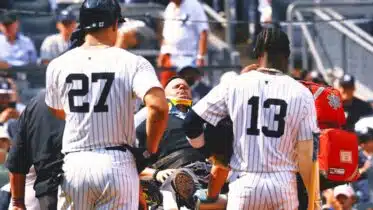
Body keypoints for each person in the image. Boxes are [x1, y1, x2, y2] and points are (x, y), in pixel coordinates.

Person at [45, 0, 169, 209]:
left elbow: (58, 111)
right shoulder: (132, 62)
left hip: (75, 163)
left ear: (82, 25)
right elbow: (158, 106)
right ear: (114, 25)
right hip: (117, 163)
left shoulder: (58, 64)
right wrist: (150, 150)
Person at [183, 27, 320, 209]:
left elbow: (191, 123)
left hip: (244, 183)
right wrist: (314, 200)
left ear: (258, 54)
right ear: (286, 57)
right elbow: (306, 154)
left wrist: (209, 154)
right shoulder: (302, 93)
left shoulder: (235, 84)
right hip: (283, 184)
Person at [5, 91, 64, 210]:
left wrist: (17, 202)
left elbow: (16, 160)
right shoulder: (102, 96)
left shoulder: (37, 102)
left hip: (51, 189)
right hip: (99, 179)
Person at [157, 0, 209, 87]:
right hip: (170, 58)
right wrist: (162, 53)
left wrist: (201, 57)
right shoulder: (169, 7)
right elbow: (165, 35)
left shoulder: (194, 5)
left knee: (186, 90)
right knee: (166, 89)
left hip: (189, 59)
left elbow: (203, 31)